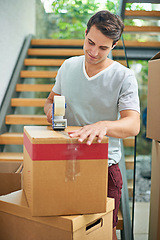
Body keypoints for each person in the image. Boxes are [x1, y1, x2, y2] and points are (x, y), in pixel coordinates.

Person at [44, 10, 140, 240]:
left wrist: (103, 125)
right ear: (86, 33)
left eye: (103, 48)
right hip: (64, 161)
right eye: (90, 43)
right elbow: (50, 100)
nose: (94, 52)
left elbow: (133, 124)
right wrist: (51, 112)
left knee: (103, 233)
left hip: (103, 168)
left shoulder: (124, 77)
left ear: (114, 45)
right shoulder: (68, 66)